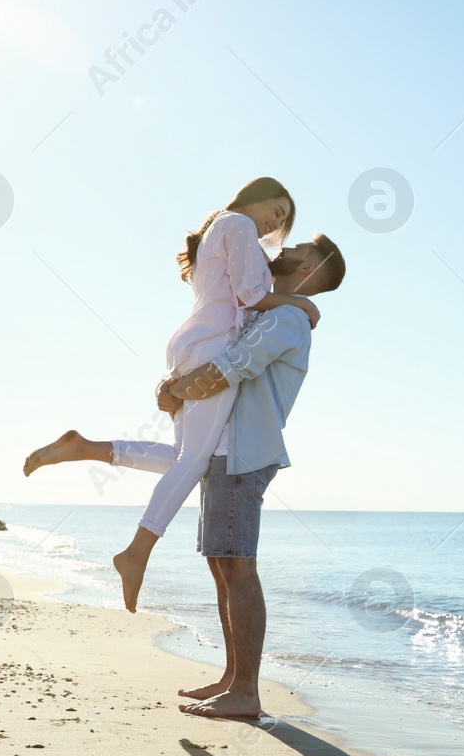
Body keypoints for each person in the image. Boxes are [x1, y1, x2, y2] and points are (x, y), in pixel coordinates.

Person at [23, 238, 344, 718]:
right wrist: (170, 386)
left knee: (238, 569)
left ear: (309, 266)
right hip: (221, 449)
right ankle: (233, 679)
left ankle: (246, 693)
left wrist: (174, 390)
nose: (284, 245)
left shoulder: (289, 320)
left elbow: (233, 367)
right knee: (222, 568)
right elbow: (213, 352)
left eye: (296, 245)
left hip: (242, 454)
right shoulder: (270, 310)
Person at [24, 177, 318, 613]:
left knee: (188, 457)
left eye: (282, 221)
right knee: (197, 460)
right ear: (254, 198)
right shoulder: (236, 223)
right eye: (275, 210)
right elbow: (251, 295)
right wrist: (304, 307)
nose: (275, 223)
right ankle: (137, 552)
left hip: (192, 343)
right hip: (213, 346)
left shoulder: (220, 230)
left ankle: (87, 448)